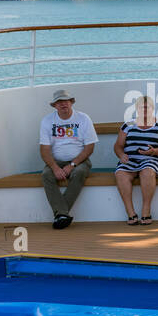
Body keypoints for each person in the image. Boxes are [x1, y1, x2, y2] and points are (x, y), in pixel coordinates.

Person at [38, 88, 97, 230]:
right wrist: (54, 167)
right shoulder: (47, 121)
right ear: (54, 106)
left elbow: (89, 147)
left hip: (79, 161)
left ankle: (60, 214)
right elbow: (44, 150)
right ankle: (63, 214)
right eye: (59, 102)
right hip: (56, 161)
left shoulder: (83, 118)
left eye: (66, 101)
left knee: (79, 173)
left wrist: (72, 164)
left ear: (71, 102)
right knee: (46, 175)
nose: (63, 104)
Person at [114, 94, 158, 225]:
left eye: (148, 107)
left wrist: (154, 151)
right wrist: (121, 155)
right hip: (130, 160)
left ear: (153, 108)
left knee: (147, 171)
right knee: (120, 173)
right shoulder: (128, 124)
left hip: (153, 159)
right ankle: (131, 213)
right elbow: (118, 146)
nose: (144, 110)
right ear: (136, 109)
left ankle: (146, 211)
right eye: (141, 108)